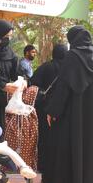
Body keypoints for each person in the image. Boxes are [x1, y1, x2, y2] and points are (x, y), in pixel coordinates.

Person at [43, 25, 93, 183]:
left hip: (75, 113)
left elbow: (63, 87)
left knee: (71, 146)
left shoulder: (72, 57)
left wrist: (53, 111)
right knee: (92, 149)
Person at [30, 44, 68, 172]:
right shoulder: (70, 69)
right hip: (63, 109)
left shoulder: (46, 67)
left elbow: (32, 83)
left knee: (44, 137)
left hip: (45, 108)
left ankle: (43, 165)